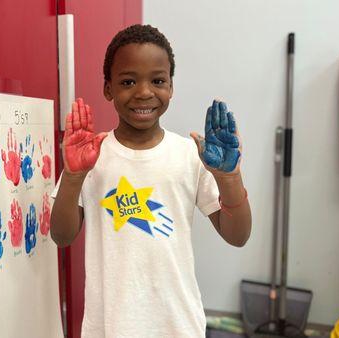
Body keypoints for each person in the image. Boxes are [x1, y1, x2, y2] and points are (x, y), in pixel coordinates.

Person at [50, 24, 252, 337]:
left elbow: (237, 235)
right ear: (108, 88)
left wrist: (229, 178)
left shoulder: (189, 154)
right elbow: (61, 236)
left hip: (178, 326)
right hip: (109, 327)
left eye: (157, 80)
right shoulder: (91, 155)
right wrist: (74, 176)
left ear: (171, 86)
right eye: (128, 81)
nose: (144, 92)